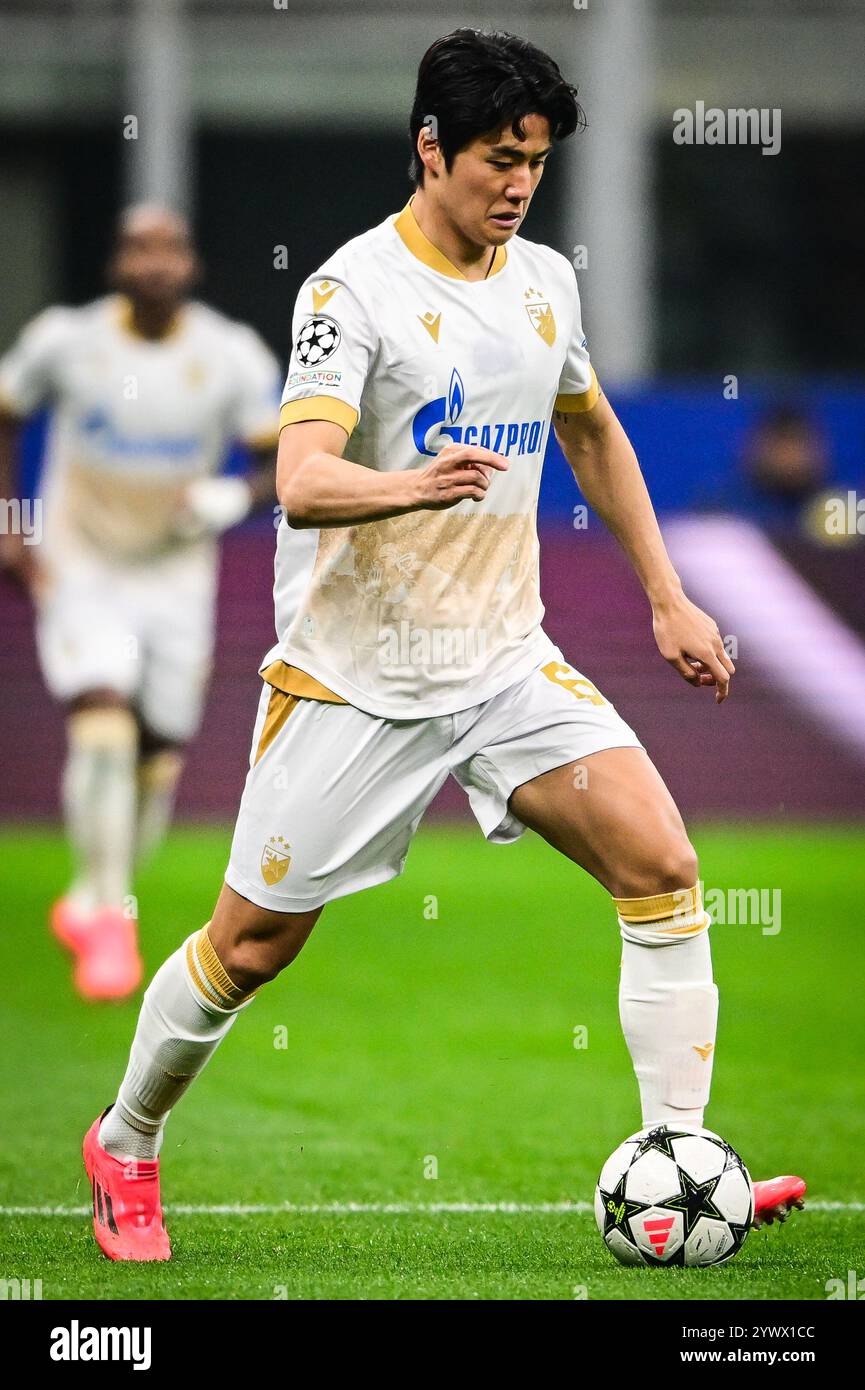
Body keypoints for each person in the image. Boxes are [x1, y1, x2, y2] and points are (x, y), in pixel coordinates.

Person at [79, 31, 804, 1261]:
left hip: (503, 662)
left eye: (533, 163)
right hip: (356, 679)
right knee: (247, 947)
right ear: (429, 148)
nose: (517, 186)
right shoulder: (348, 294)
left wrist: (667, 597)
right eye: (495, 160)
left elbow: (591, 431)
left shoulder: (542, 281)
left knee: (662, 867)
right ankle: (127, 1141)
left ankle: (681, 1160)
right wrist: (406, 488)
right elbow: (302, 482)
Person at [0, 205, 281, 1001]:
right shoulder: (66, 340)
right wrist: (11, 528)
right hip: (80, 562)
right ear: (115, 264)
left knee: (155, 757)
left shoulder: (227, 356)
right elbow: (6, 412)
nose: (153, 262)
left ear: (190, 265)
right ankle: (105, 916)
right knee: (100, 718)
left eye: (168, 248)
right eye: (137, 247)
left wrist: (238, 491)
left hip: (174, 574)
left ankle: (96, 895)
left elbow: (280, 459)